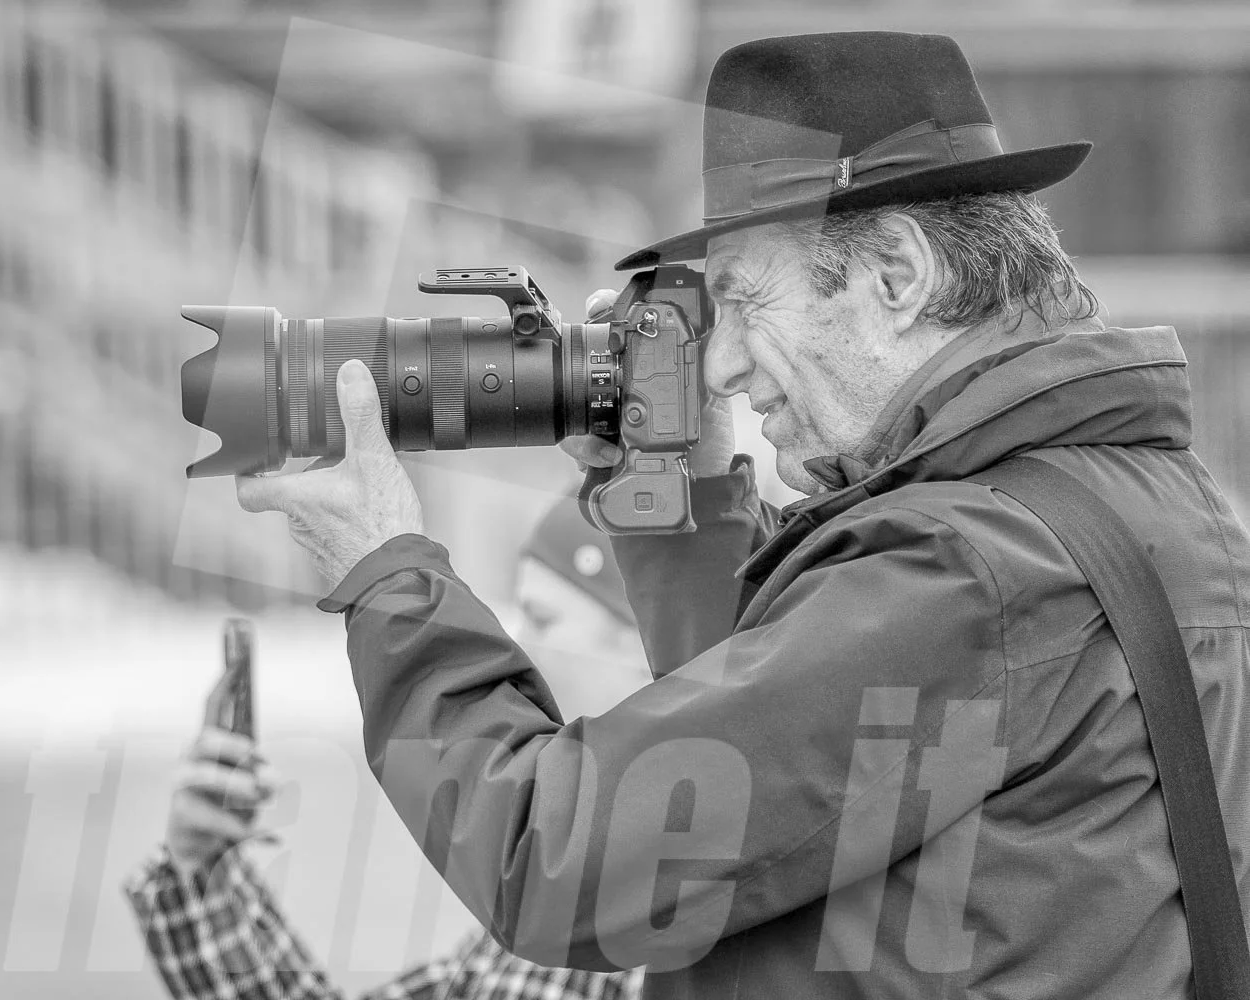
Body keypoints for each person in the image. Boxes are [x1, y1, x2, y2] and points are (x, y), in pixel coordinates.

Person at [232, 31, 1250, 999]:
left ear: (897, 275)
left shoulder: (963, 569)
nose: (718, 363)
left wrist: (386, 574)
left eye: (748, 299)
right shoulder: (1154, 503)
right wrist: (682, 504)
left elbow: (553, 854)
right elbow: (799, 782)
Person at [123, 498, 652, 999]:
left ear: (643, 636)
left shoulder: (644, 903)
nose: (520, 645)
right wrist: (201, 869)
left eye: (542, 619)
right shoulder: (569, 877)